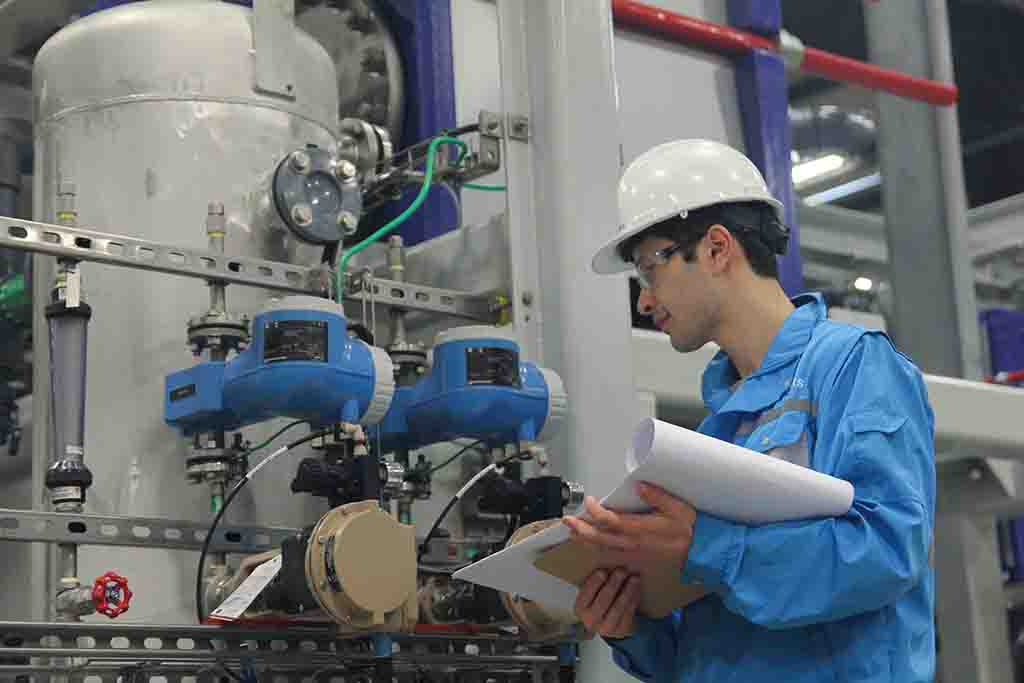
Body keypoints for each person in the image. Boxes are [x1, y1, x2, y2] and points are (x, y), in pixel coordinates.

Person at [565, 139, 936, 681]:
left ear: (717, 249)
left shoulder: (852, 367)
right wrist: (630, 627)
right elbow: (711, 650)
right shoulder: (720, 428)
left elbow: (887, 550)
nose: (644, 301)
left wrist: (706, 546)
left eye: (651, 270)